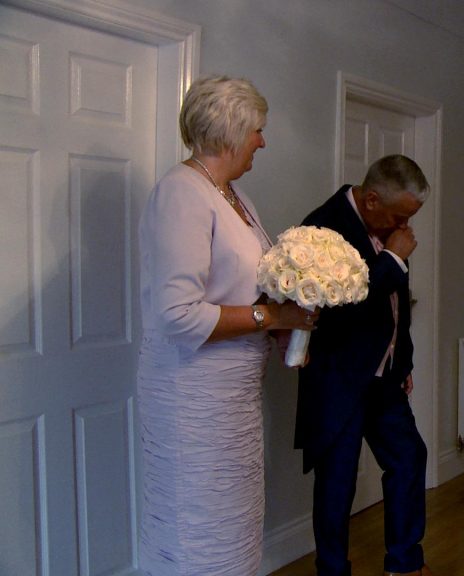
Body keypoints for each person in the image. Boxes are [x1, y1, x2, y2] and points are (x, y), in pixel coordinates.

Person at [136, 75, 316, 575]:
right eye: (258, 129)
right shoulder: (182, 194)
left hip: (233, 398)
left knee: (233, 525)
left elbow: (240, 287)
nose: (263, 140)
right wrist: (273, 315)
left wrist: (284, 323)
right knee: (196, 527)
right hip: (191, 397)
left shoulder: (235, 197)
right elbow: (178, 314)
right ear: (230, 131)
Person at [297, 155, 434, 576]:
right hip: (340, 378)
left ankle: (404, 563)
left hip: (384, 377)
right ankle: (333, 570)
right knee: (338, 481)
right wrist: (391, 261)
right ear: (372, 199)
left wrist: (402, 358)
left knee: (409, 457)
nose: (404, 227)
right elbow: (339, 309)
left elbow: (397, 306)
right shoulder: (322, 229)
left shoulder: (391, 229)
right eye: (399, 216)